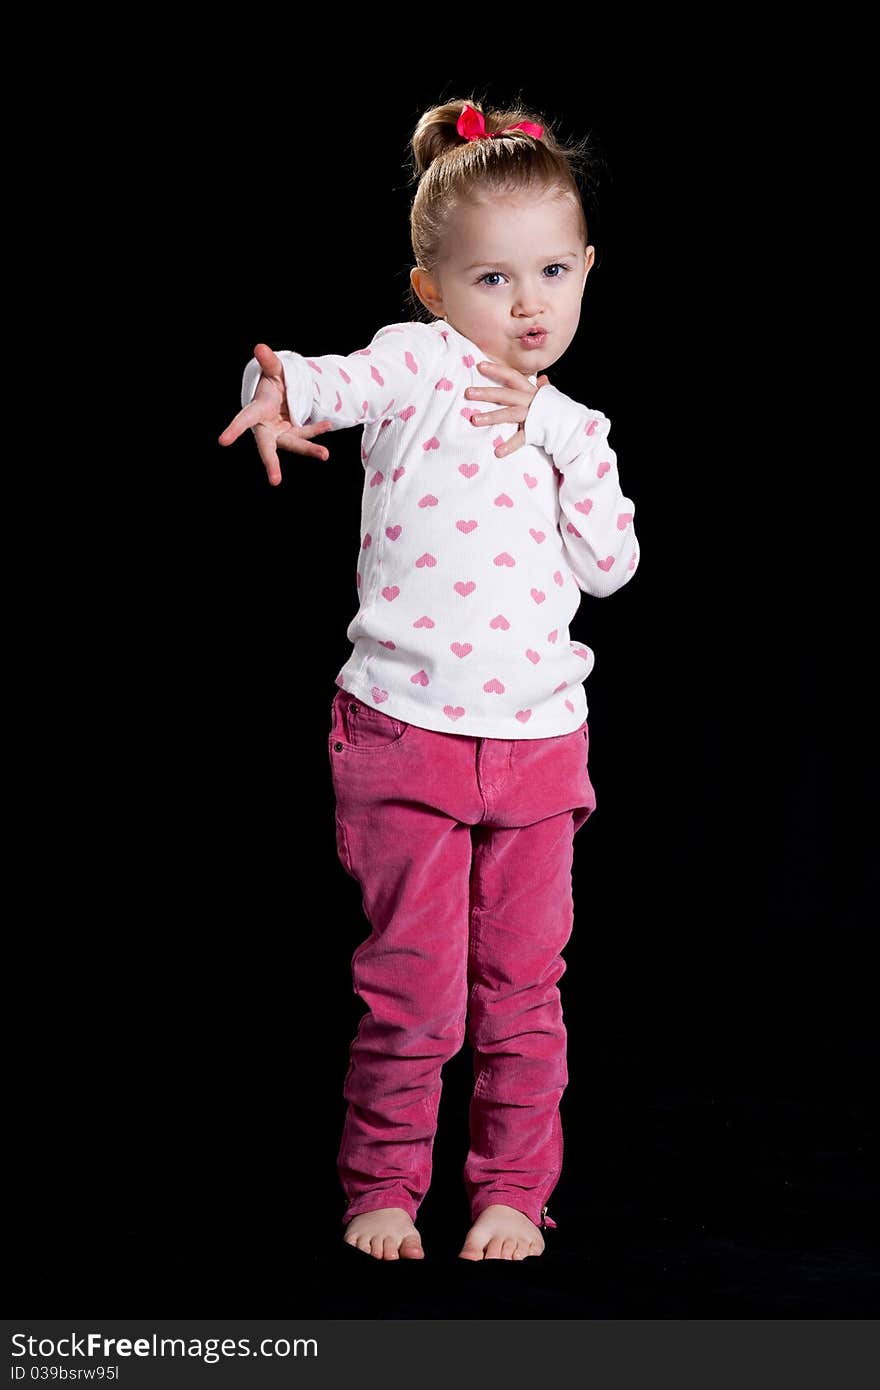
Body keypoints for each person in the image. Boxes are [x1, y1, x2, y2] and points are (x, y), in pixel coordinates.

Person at [218, 96, 640, 1262]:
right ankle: (384, 1189)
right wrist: (280, 391)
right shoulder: (421, 364)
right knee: (412, 988)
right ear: (436, 291)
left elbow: (611, 565)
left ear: (587, 268)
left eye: (552, 271)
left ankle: (511, 1190)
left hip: (540, 741)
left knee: (521, 990)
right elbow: (336, 380)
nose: (528, 303)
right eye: (493, 280)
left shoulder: (580, 425)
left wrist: (556, 432)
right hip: (404, 731)